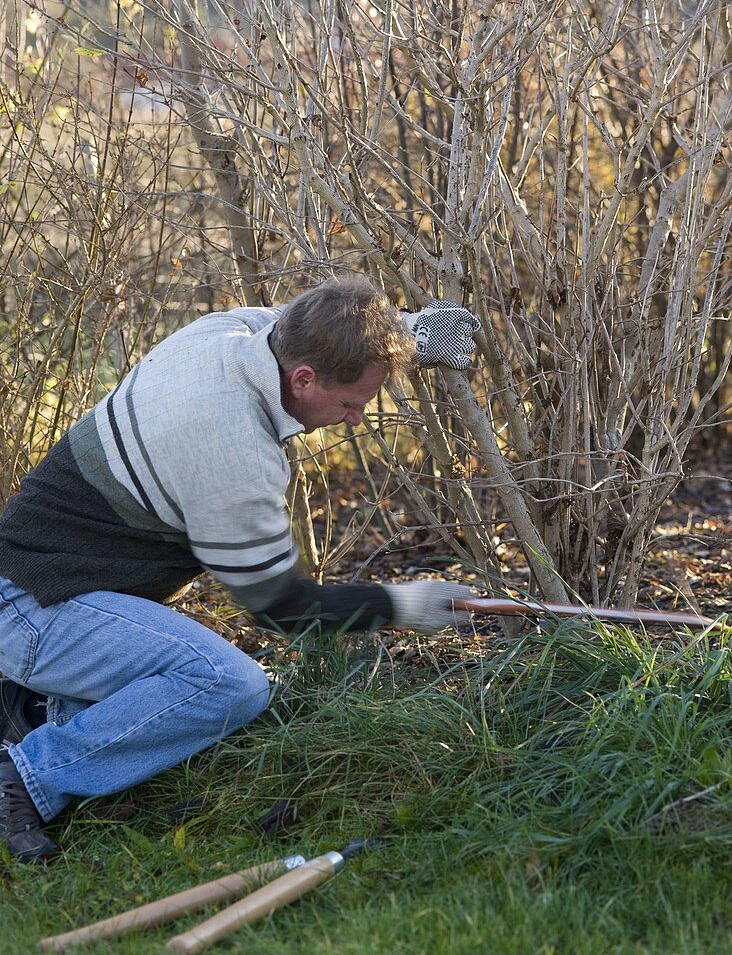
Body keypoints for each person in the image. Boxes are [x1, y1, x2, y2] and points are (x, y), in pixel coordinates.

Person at [0, 276, 480, 862]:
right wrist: (407, 606)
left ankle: (29, 708)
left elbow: (314, 322)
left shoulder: (233, 334)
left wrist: (418, 335)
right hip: (34, 607)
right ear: (303, 382)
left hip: (51, 581)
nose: (357, 419)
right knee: (229, 685)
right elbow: (280, 607)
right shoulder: (233, 451)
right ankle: (25, 776)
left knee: (177, 683)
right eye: (352, 404)